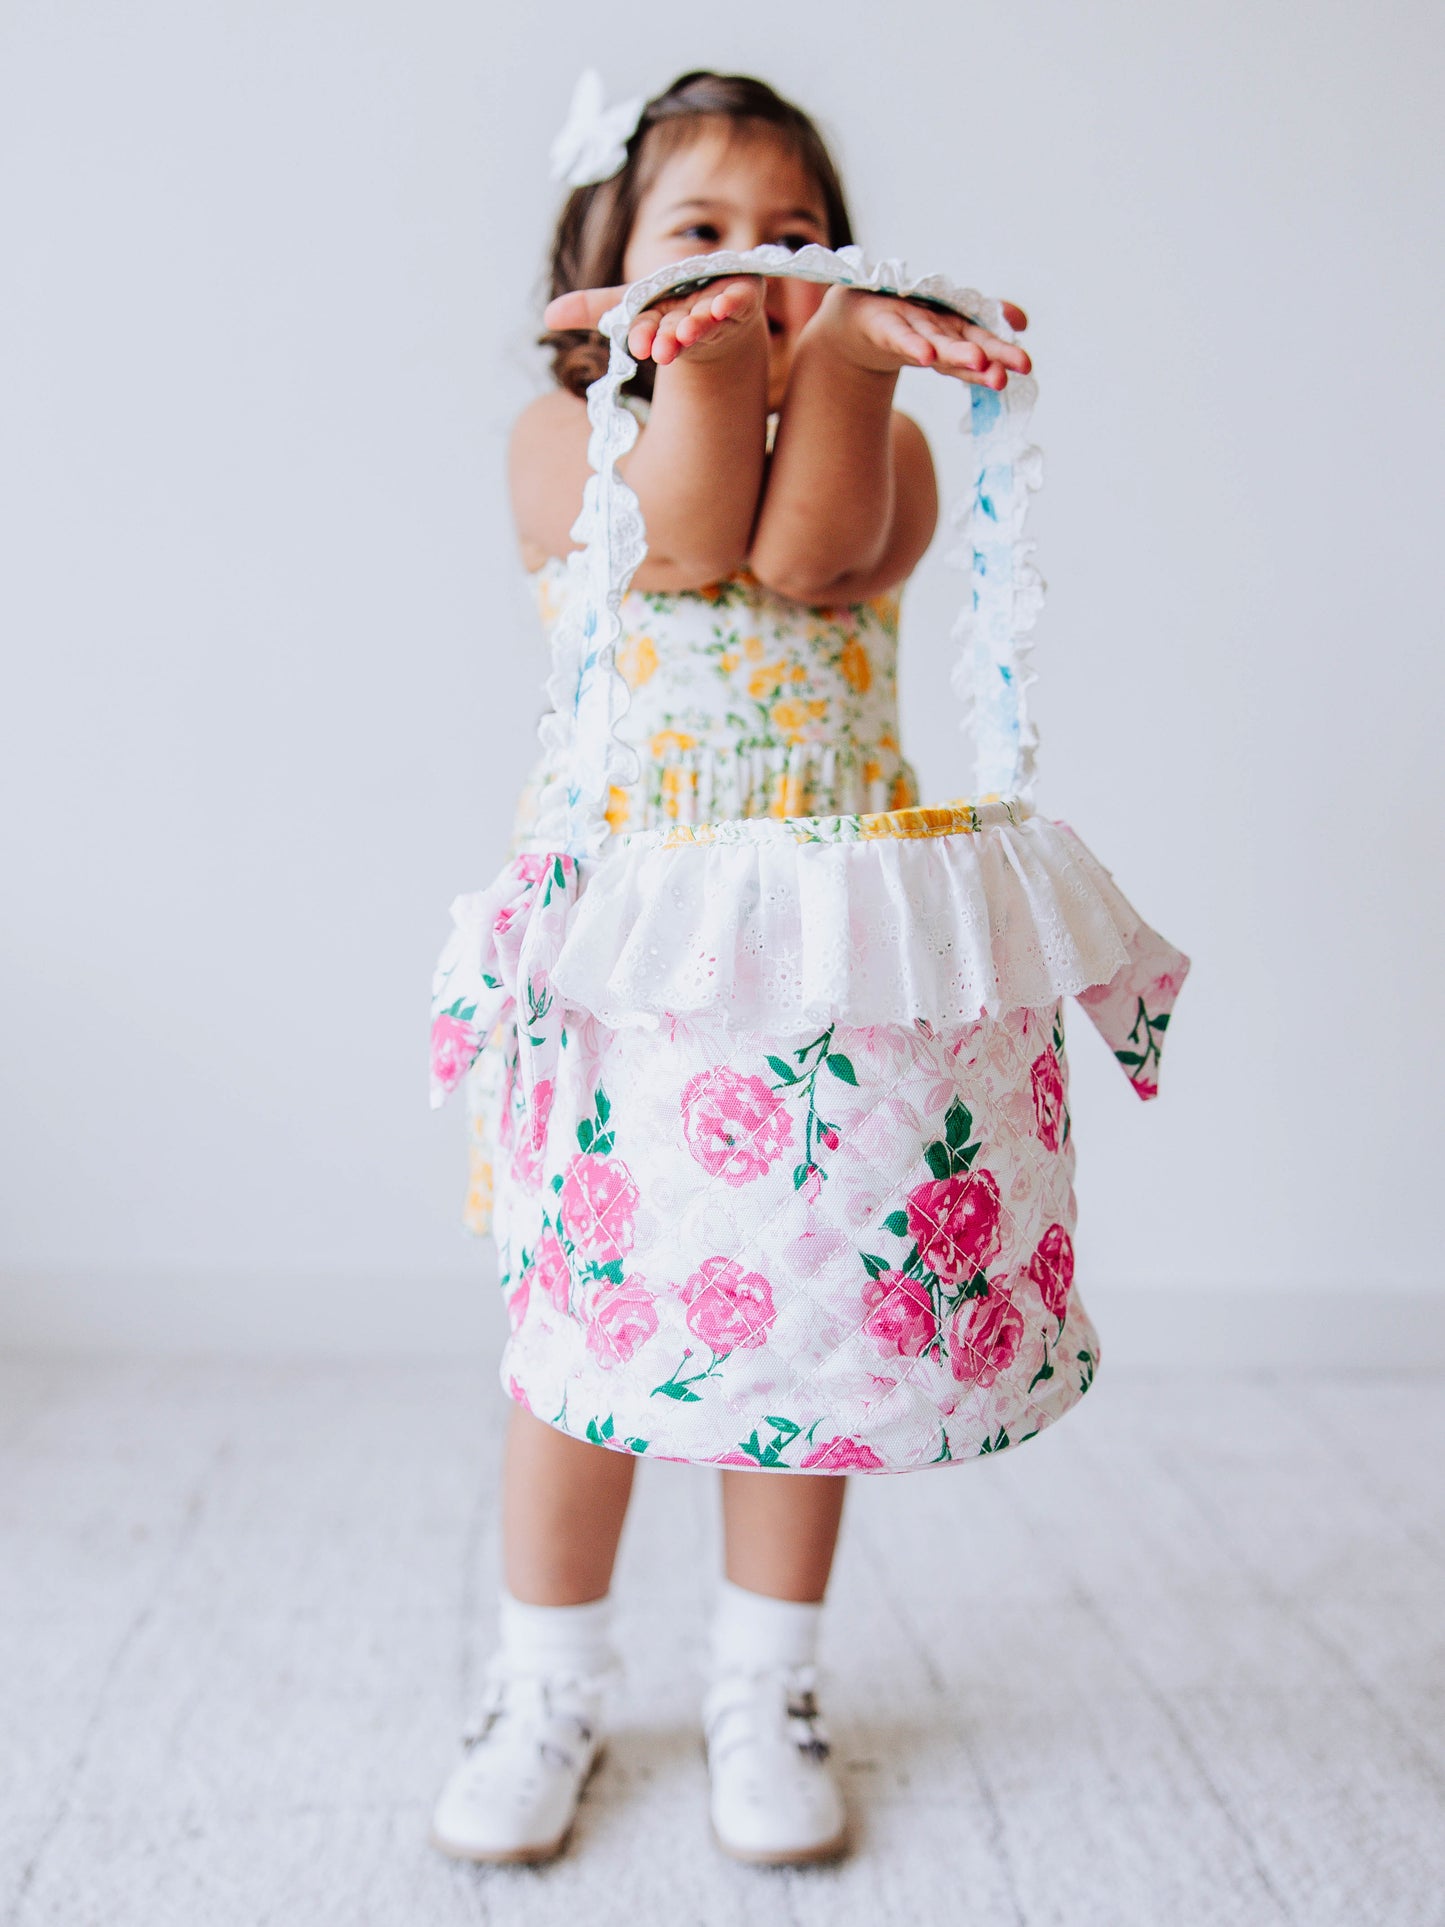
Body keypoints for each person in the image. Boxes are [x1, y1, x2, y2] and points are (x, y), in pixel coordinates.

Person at [430, 67, 1032, 1868]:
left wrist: (842, 364)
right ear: (597, 266)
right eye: (697, 233)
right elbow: (686, 539)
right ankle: (548, 1679)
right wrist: (684, 351)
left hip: (817, 959)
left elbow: (803, 550)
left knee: (803, 1341)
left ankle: (764, 1677)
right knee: (584, 1346)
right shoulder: (561, 438)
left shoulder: (889, 452)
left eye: (791, 239)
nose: (744, 266)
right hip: (628, 955)